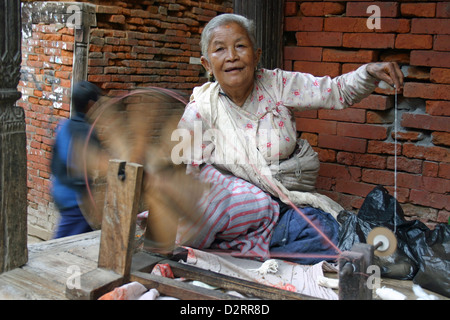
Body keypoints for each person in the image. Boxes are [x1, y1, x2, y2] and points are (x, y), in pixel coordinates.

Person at [176, 14, 404, 263]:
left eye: (240, 46)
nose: (232, 56)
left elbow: (335, 92)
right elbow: (184, 171)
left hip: (287, 201)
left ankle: (250, 248)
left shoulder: (277, 85)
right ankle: (246, 243)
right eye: (220, 49)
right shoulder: (202, 109)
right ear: (207, 64)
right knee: (325, 234)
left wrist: (368, 73)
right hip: (242, 213)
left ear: (257, 54)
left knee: (327, 232)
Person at [51, 81, 102, 238]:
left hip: (59, 188)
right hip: (75, 199)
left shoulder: (63, 125)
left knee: (86, 236)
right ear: (90, 104)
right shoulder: (87, 133)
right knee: (58, 245)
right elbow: (100, 162)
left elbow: (54, 163)